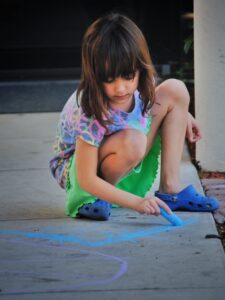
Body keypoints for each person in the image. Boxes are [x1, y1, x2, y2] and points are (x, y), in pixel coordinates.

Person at [49, 13, 219, 221]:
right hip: (81, 176)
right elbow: (86, 178)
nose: (120, 88)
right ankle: (91, 200)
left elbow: (163, 99)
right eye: (109, 79)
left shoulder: (140, 85)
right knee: (133, 141)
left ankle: (171, 188)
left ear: (140, 68)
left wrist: (184, 114)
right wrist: (137, 203)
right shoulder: (90, 108)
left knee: (175, 88)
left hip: (124, 155)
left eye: (128, 76)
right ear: (95, 75)